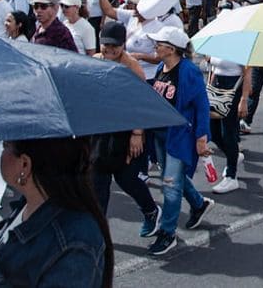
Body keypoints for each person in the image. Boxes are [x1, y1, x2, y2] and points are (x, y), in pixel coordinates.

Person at [0, 137, 113, 288]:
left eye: (6, 146)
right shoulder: (30, 207)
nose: (2, 153)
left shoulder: (76, 239)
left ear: (24, 165)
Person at [145, 26, 213, 256]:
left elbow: (202, 105)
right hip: (161, 134)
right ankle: (198, 203)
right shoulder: (159, 67)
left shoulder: (188, 71)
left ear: (172, 49)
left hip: (180, 135)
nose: (156, 46)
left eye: (159, 43)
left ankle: (168, 232)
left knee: (170, 184)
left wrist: (202, 137)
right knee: (173, 176)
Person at [90, 20, 161, 238]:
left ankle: (151, 210)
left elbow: (141, 103)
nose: (109, 50)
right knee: (97, 178)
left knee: (126, 178)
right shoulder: (95, 61)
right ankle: (98, 232)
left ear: (123, 45)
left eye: (115, 46)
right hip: (101, 128)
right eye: (106, 45)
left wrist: (137, 134)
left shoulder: (133, 68)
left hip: (127, 129)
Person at [207, 57, 252, 194]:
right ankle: (233, 155)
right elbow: (215, 68)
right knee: (212, 132)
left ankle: (231, 176)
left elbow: (248, 72)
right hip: (216, 86)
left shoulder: (241, 43)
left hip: (233, 87)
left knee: (228, 133)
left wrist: (244, 99)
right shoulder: (218, 41)